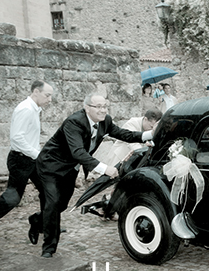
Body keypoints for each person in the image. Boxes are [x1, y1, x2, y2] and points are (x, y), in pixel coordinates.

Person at [28, 93, 154, 257]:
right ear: (87, 108)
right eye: (99, 107)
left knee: (61, 205)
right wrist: (104, 169)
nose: (103, 110)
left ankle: (37, 220)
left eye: (105, 106)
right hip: (50, 166)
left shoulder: (105, 121)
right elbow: (78, 152)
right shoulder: (74, 122)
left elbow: (125, 134)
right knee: (52, 203)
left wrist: (150, 134)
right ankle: (49, 249)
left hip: (70, 169)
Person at [0, 81, 54, 242]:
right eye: (47, 95)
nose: (50, 99)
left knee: (49, 191)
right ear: (36, 92)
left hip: (31, 160)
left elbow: (27, 136)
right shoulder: (26, 109)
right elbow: (17, 138)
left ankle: (44, 224)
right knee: (12, 198)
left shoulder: (35, 109)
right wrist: (38, 154)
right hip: (20, 161)